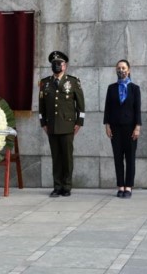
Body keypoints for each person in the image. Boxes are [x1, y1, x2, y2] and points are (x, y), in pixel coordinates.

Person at [39, 51, 85, 197]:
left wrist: (79, 122)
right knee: (56, 157)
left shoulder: (72, 82)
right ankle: (57, 186)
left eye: (60, 63)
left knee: (67, 157)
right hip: (51, 126)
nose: (57, 66)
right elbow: (42, 107)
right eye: (54, 63)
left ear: (65, 66)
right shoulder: (45, 83)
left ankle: (67, 186)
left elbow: (81, 106)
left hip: (67, 126)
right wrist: (43, 123)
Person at [103, 59, 141, 199]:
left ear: (129, 70)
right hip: (115, 128)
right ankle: (120, 186)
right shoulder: (111, 88)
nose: (121, 70)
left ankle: (129, 186)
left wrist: (137, 127)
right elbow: (107, 108)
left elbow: (137, 109)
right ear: (116, 70)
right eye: (119, 68)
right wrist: (107, 125)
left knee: (130, 158)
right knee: (118, 158)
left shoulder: (135, 88)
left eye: (124, 68)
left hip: (131, 128)